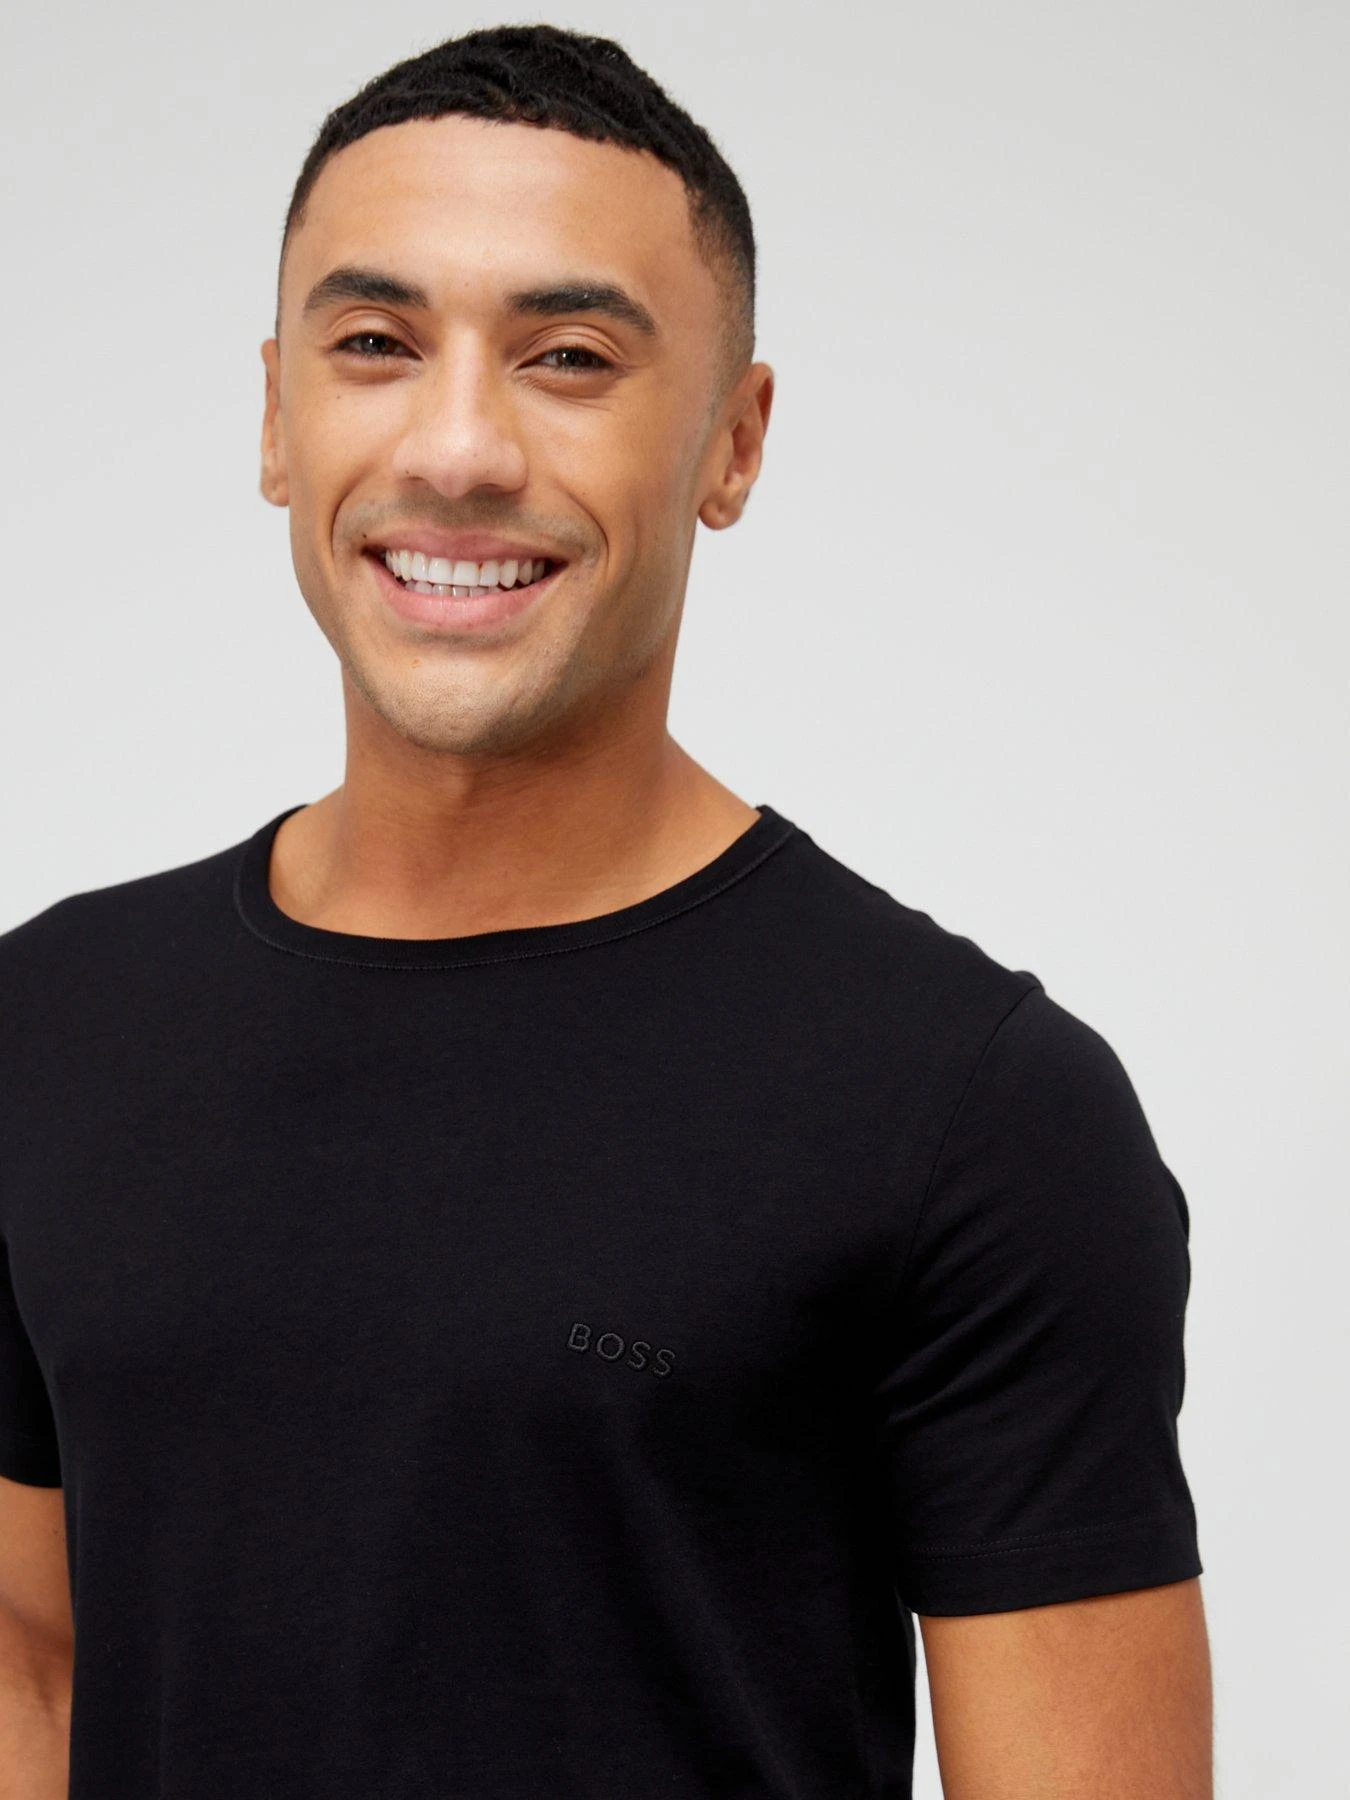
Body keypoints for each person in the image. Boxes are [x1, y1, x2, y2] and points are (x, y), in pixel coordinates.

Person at [0, 23, 1212, 1799]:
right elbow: (34, 1670)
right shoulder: (44, 1028)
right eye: (374, 343)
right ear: (275, 417)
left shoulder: (972, 1108)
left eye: (568, 357)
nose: (458, 447)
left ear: (733, 442)